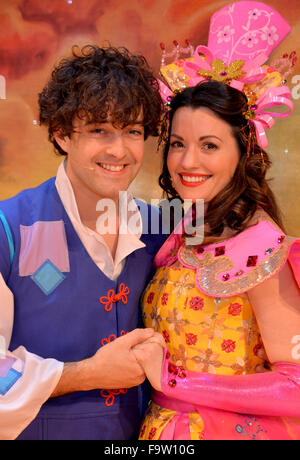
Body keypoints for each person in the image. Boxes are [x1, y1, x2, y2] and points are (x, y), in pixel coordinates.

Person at [134, 2, 300, 440]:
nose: (187, 161)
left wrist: (176, 382)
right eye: (177, 144)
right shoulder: (180, 234)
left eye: (209, 145)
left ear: (244, 151)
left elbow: (296, 386)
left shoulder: (264, 249)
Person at [0, 44, 166, 440]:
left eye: (133, 131)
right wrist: (85, 374)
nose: (119, 150)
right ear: (61, 135)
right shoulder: (9, 227)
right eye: (99, 131)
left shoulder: (159, 228)